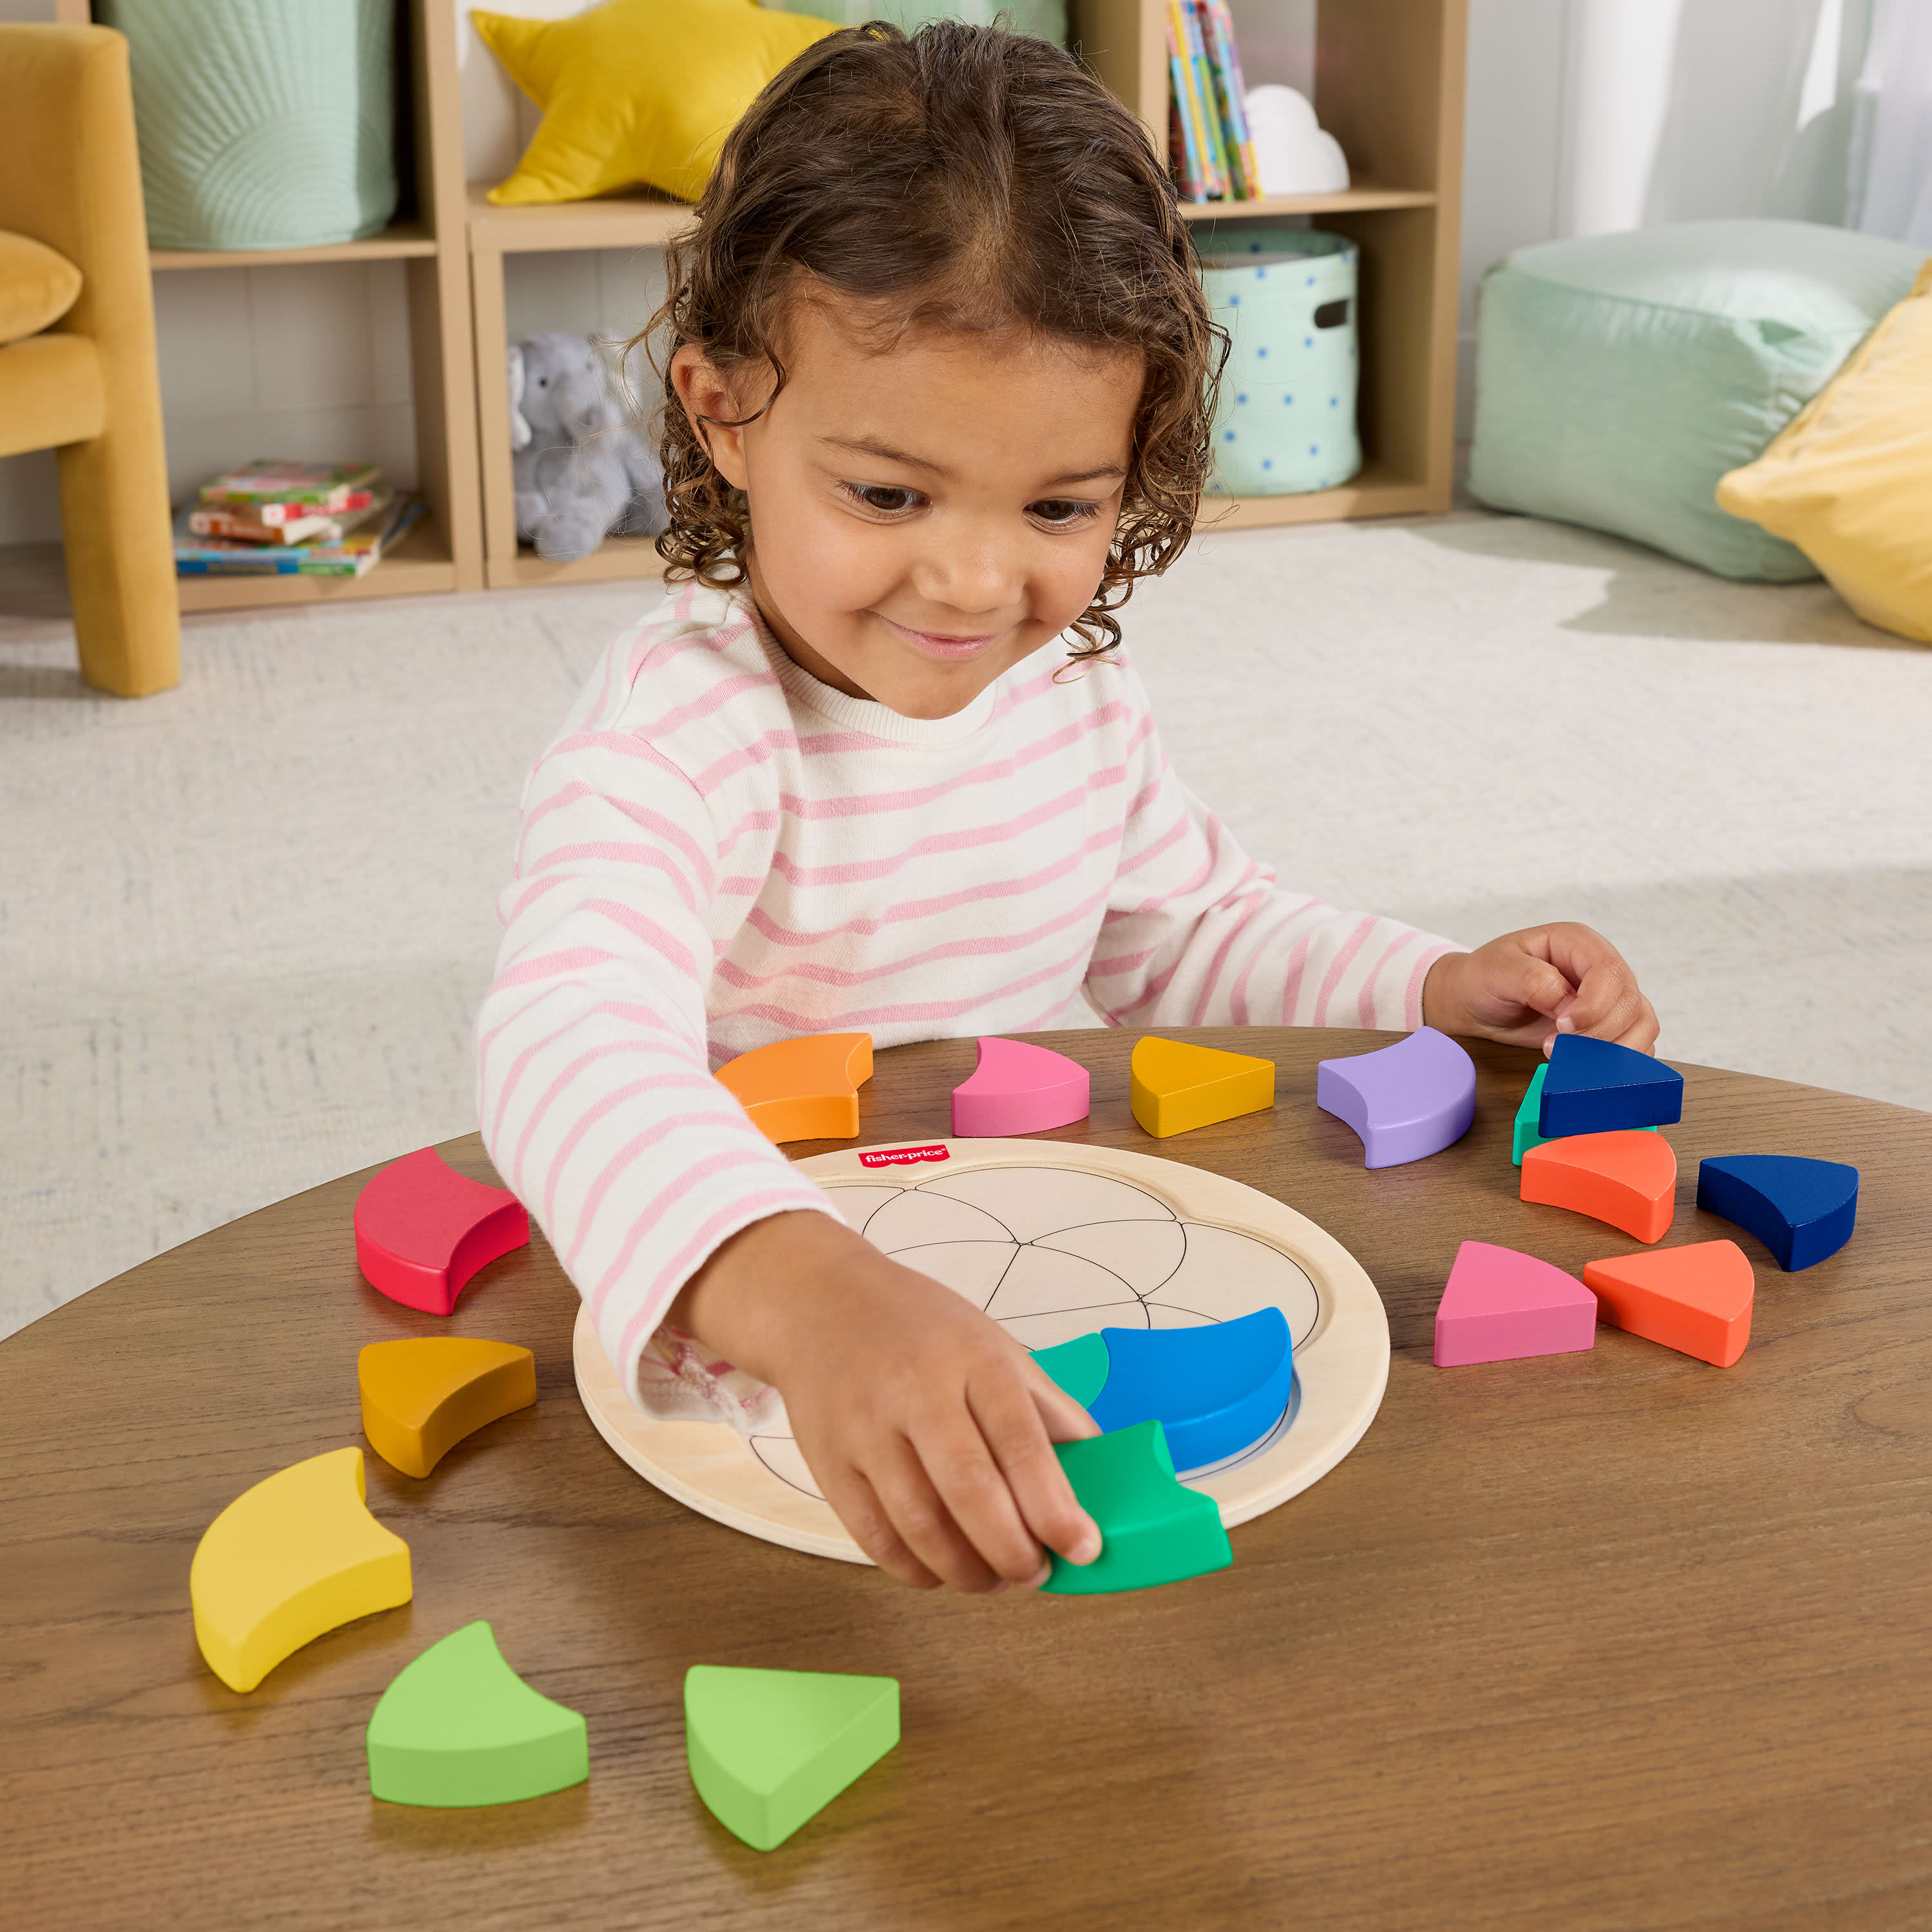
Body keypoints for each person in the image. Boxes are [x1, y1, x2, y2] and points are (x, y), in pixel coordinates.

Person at [475, 21, 1658, 1600]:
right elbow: (566, 1044)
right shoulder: (682, 728)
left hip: (1021, 1258)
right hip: (762, 1318)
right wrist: (807, 1297)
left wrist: (1433, 989)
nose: (974, 583)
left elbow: (1192, 935)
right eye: (888, 495)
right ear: (721, 412)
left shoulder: (1069, 693)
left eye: (1058, 508)